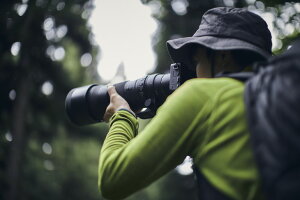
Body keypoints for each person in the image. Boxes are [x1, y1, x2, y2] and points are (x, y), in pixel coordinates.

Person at [98, 7, 272, 200]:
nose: (196, 72)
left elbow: (111, 180)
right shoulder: (282, 103)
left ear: (223, 57)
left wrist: (122, 115)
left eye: (198, 61)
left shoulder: (205, 97)